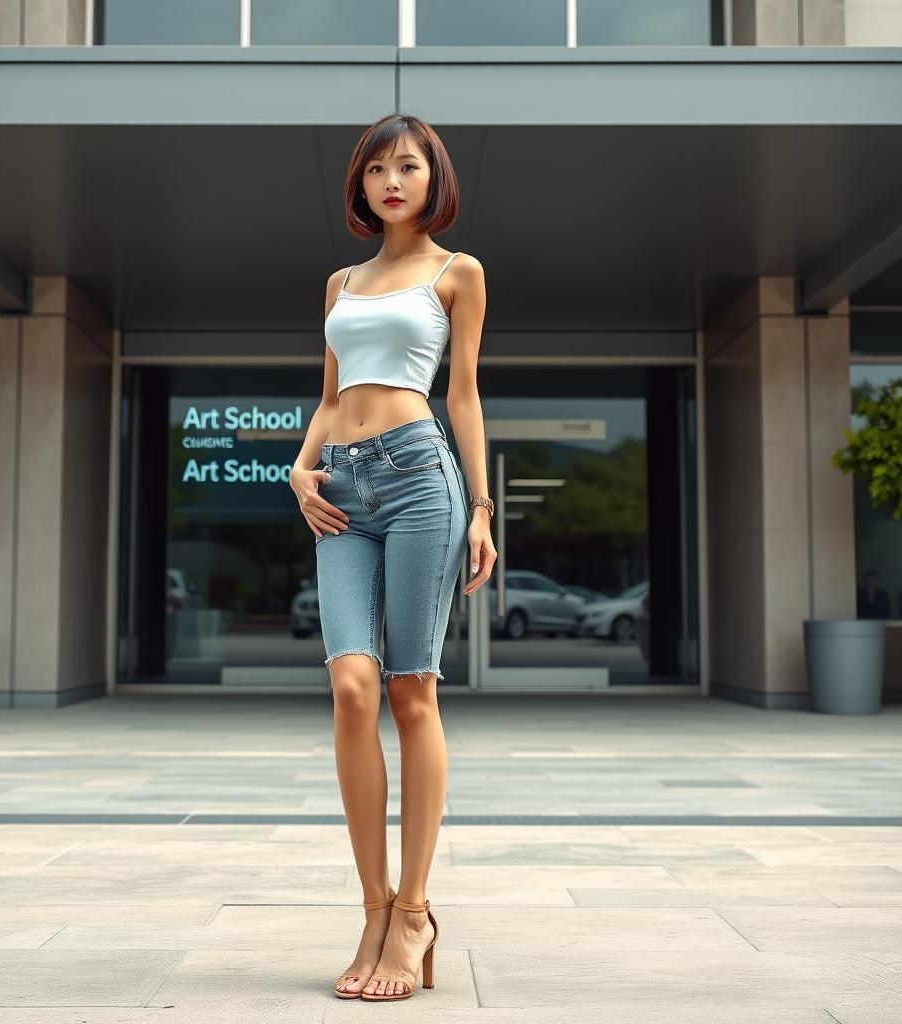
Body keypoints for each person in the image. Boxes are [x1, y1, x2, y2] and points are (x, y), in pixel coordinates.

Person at [289, 113, 495, 1001]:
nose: (391, 180)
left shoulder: (457, 272)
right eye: (376, 169)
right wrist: (301, 467)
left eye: (407, 166)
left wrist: (482, 508)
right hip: (341, 488)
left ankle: (414, 914)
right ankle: (371, 906)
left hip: (419, 480)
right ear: (361, 186)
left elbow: (463, 393)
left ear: (431, 177)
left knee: (411, 686)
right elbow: (330, 397)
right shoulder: (340, 281)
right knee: (350, 686)